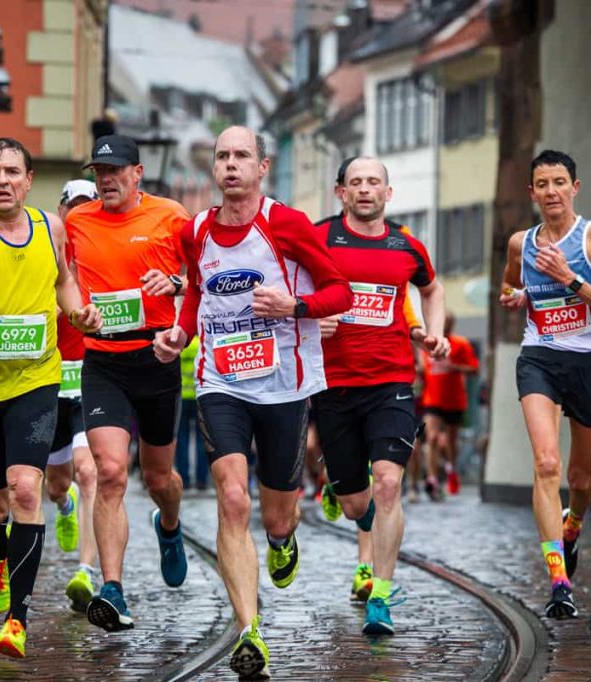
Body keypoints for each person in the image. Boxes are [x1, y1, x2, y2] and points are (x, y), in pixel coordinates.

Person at [154, 126, 352, 679]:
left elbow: (341, 291)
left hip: (284, 384)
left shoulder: (286, 224)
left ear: (262, 167)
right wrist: (179, 333)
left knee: (276, 513)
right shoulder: (196, 230)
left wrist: (295, 305)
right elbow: (196, 289)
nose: (231, 165)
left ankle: (284, 539)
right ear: (214, 169)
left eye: (242, 156)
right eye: (223, 156)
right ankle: (250, 629)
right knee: (233, 499)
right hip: (222, 382)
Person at [0, 137, 101, 658]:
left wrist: (78, 312)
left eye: (13, 170)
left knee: (26, 491)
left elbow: (64, 284)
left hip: (36, 379)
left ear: (30, 180)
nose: (3, 179)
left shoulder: (49, 227)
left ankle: (18, 620)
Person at [313, 157, 449, 635]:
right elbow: (287, 288)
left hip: (391, 382)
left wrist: (434, 333)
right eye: (356, 183)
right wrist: (309, 317)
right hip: (332, 385)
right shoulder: (319, 238)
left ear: (388, 194)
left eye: (374, 183)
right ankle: (341, 489)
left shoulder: (407, 247)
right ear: (340, 193)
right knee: (356, 504)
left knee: (389, 484)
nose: (365, 190)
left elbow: (431, 289)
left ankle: (382, 597)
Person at [499, 149, 591, 619]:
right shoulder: (521, 243)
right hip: (540, 357)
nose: (552, 191)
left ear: (575, 187)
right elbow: (507, 288)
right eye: (543, 184)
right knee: (546, 462)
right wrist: (515, 297)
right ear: (531, 191)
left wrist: (571, 279)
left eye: (560, 182)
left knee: (580, 478)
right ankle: (558, 579)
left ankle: (573, 523)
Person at [64, 134, 191, 632]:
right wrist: (78, 312)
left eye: (115, 171)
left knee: (161, 480)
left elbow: (201, 274)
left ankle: (170, 525)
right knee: (111, 472)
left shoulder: (171, 215)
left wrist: (177, 285)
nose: (106, 180)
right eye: (99, 171)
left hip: (157, 357)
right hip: (104, 362)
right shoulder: (77, 221)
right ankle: (112, 589)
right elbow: (64, 279)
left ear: (137, 174)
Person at [49, 179, 102, 611]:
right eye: (75, 205)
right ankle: (62, 506)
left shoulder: (101, 253)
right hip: (48, 379)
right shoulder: (45, 251)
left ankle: (85, 571)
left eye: (90, 205)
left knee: (89, 472)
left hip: (89, 377)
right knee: (57, 483)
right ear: (63, 209)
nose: (81, 212)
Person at [419, 312, 479, 500]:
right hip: (432, 399)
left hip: (454, 400)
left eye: (447, 323)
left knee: (451, 442)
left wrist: (455, 368)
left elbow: (474, 369)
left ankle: (452, 469)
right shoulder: (427, 345)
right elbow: (424, 370)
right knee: (433, 438)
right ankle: (432, 479)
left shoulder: (460, 344)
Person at [176, 334, 209, 490]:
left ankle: (184, 479)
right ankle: (202, 479)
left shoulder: (181, 344)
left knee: (182, 439)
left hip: (181, 397)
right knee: (202, 439)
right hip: (199, 396)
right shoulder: (201, 343)